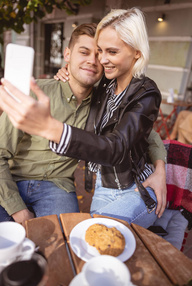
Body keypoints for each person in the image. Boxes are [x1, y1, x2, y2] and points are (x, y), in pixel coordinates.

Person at [0, 12, 167, 228]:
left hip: (67, 186)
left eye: (102, 54)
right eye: (86, 52)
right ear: (67, 54)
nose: (95, 60)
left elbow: (142, 133)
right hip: (14, 180)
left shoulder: (112, 97)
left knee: (70, 241)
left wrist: (160, 169)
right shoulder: (40, 93)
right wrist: (18, 210)